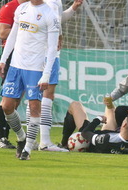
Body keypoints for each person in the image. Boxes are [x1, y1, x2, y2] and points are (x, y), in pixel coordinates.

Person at [0, 0, 60, 160]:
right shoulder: (21, 9)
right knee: (7, 106)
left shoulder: (50, 14)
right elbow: (12, 36)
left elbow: (53, 48)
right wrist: (4, 60)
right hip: (16, 67)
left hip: (35, 68)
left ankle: (27, 149)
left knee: (34, 107)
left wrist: (46, 74)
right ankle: (21, 137)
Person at [34, 0, 84, 152]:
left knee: (34, 95)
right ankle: (45, 142)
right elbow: (54, 20)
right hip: (48, 52)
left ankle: (28, 139)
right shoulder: (53, 1)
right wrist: (60, 35)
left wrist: (73, 8)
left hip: (34, 52)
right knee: (47, 94)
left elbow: (57, 17)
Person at [0, 0, 29, 149]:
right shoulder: (9, 8)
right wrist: (27, 28)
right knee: (7, 100)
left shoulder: (34, 8)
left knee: (16, 101)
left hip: (28, 56)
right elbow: (3, 33)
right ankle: (1, 138)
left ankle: (17, 137)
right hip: (12, 56)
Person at [60, 101, 128, 155]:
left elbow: (85, 133)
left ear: (124, 125)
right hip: (114, 134)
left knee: (75, 105)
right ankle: (108, 103)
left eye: (124, 120)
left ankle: (63, 144)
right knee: (110, 108)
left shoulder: (106, 139)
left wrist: (98, 119)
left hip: (90, 136)